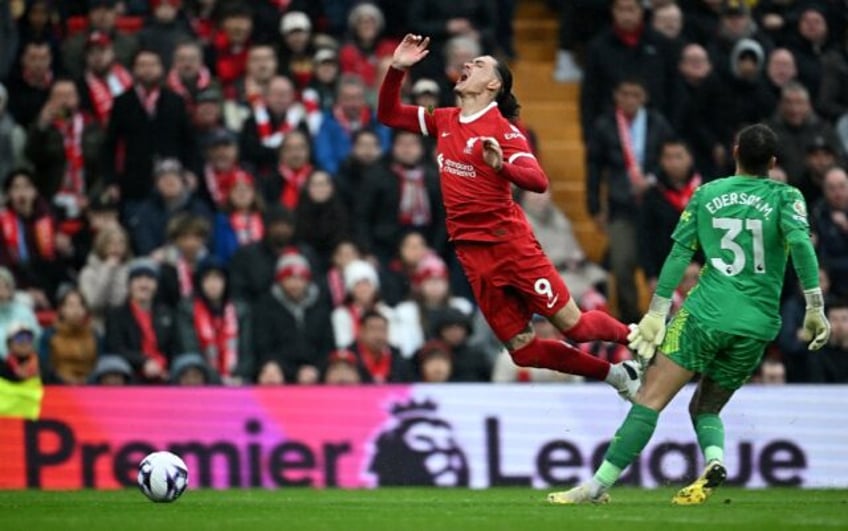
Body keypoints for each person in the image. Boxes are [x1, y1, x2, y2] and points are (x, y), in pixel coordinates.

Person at [548, 124, 831, 505]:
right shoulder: (788, 197)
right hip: (757, 326)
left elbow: (680, 255)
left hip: (705, 314)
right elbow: (801, 245)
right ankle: (714, 460)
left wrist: (656, 312)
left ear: (734, 152)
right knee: (706, 406)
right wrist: (815, 306)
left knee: (650, 397)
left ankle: (594, 487)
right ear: (774, 162)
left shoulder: (707, 194)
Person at [377, 34, 641, 398]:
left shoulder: (505, 131)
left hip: (509, 245)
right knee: (523, 351)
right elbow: (388, 114)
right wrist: (396, 70)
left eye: (479, 64)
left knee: (575, 327)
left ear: (493, 84)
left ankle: (638, 336)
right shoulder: (445, 120)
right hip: (471, 253)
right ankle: (617, 375)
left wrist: (503, 166)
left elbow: (538, 180)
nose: (468, 65)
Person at [39, 287, 99, 384]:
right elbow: (45, 366)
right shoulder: (50, 335)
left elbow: (100, 364)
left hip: (90, 386)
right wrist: (65, 381)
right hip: (58, 387)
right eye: (71, 305)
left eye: (80, 305)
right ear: (62, 309)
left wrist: (87, 381)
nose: (76, 310)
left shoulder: (94, 335)